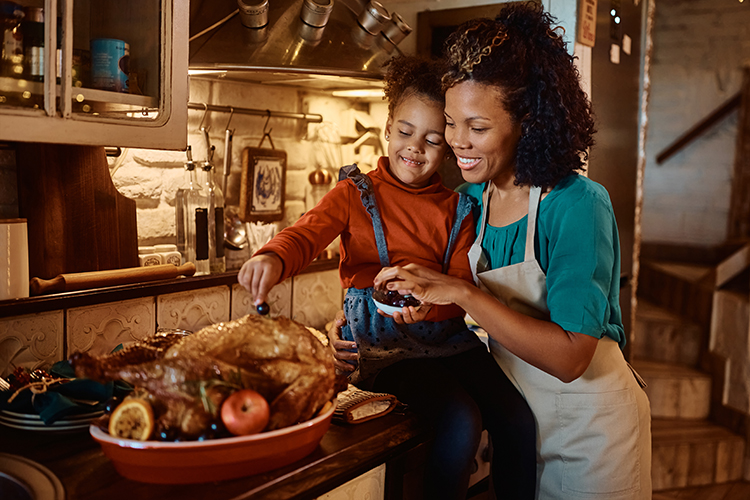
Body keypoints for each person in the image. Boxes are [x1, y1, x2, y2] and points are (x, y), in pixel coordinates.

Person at [364, 4, 653, 499]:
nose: (456, 142)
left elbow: (569, 358)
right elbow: (443, 303)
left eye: (477, 127)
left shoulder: (577, 205)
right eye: (451, 123)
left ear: (528, 120)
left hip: (591, 430)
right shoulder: (471, 202)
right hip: (519, 422)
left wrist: (462, 293)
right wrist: (359, 326)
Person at [238, 55, 536, 499]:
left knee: (516, 418)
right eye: (405, 132)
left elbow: (460, 290)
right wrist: (273, 259)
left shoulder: (460, 209)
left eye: (433, 139)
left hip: (450, 342)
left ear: (450, 146)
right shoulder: (354, 194)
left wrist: (429, 305)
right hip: (386, 352)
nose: (415, 148)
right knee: (462, 419)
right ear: (387, 129)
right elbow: (305, 234)